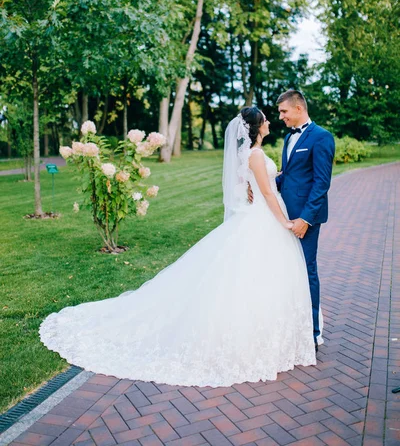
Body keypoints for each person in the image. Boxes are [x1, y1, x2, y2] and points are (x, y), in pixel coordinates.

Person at [40, 107, 315, 387]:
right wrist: (284, 221)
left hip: (260, 216)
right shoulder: (255, 155)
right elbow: (267, 192)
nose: (270, 122)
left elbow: (260, 185)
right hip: (266, 218)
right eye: (266, 120)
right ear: (256, 127)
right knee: (254, 279)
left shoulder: (252, 154)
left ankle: (268, 339)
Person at [276, 89, 335, 351]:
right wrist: (260, 183)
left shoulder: (321, 138)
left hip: (304, 219)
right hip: (283, 216)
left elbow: (321, 184)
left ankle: (312, 333)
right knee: (287, 270)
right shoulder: (289, 137)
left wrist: (306, 219)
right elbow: (290, 176)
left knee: (306, 271)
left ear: (298, 109)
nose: (281, 117)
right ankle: (291, 325)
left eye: (284, 111)